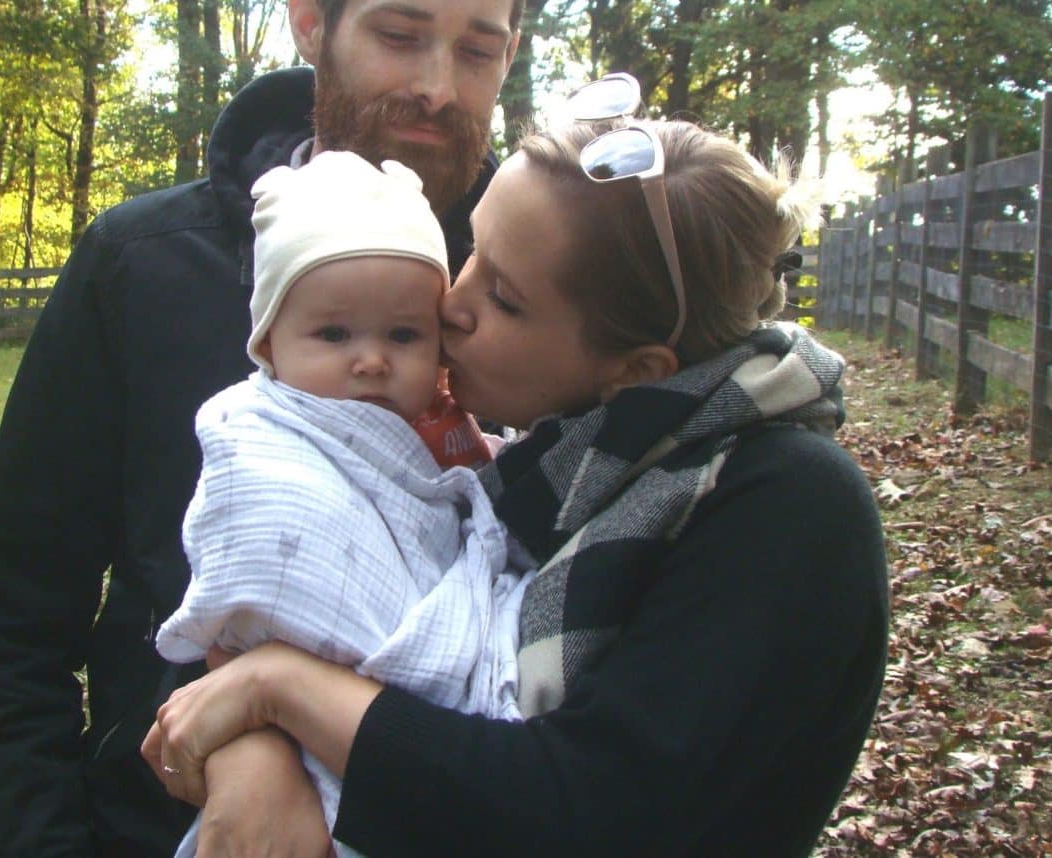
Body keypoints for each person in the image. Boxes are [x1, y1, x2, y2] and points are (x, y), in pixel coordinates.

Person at [0, 0, 528, 856]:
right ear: (310, 22)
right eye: (398, 34)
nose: (437, 85)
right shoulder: (144, 266)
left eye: (478, 49)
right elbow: (7, 619)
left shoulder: (546, 291)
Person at [143, 102, 892, 858]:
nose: (449, 305)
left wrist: (279, 689)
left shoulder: (788, 504)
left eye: (503, 297)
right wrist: (260, 749)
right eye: (472, 251)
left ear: (637, 370)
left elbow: (587, 813)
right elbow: (281, 601)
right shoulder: (550, 466)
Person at [157, 151, 530, 858]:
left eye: (404, 335)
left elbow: (473, 515)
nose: (372, 360)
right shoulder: (259, 438)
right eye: (334, 334)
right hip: (305, 754)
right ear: (268, 343)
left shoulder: (447, 432)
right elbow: (259, 558)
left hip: (395, 745)